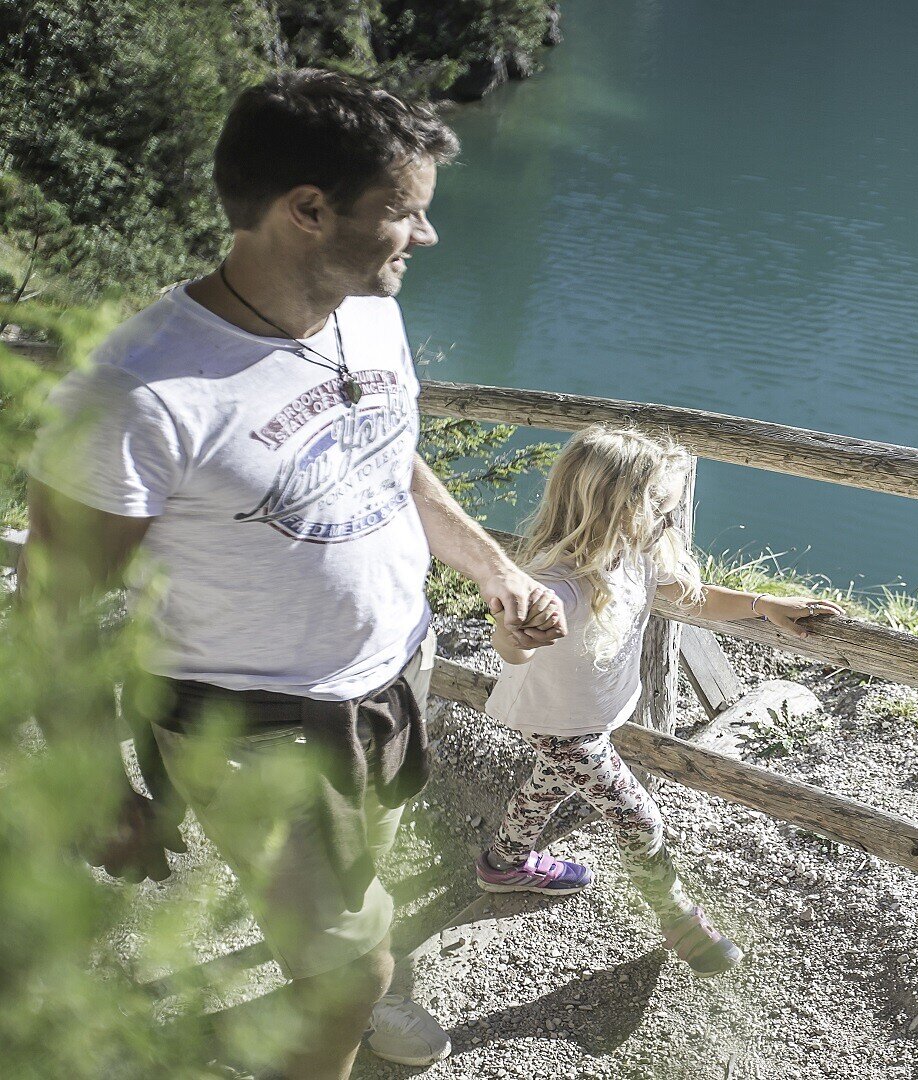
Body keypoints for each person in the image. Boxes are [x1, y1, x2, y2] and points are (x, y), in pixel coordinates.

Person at [23, 69, 565, 1078]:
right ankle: (346, 1007)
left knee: (360, 895)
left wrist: (490, 565)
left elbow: (387, 452)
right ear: (306, 210)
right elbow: (51, 612)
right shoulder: (140, 393)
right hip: (252, 727)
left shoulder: (365, 309)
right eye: (404, 211)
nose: (427, 235)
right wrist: (94, 786)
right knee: (346, 974)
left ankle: (351, 989)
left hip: (390, 680)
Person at [475, 425, 841, 976]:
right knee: (639, 820)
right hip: (557, 723)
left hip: (583, 716)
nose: (668, 523)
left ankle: (503, 863)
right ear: (614, 507)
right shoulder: (559, 585)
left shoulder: (634, 553)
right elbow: (513, 647)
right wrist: (513, 633)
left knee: (551, 781)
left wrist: (763, 604)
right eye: (660, 510)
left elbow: (694, 599)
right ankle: (677, 917)